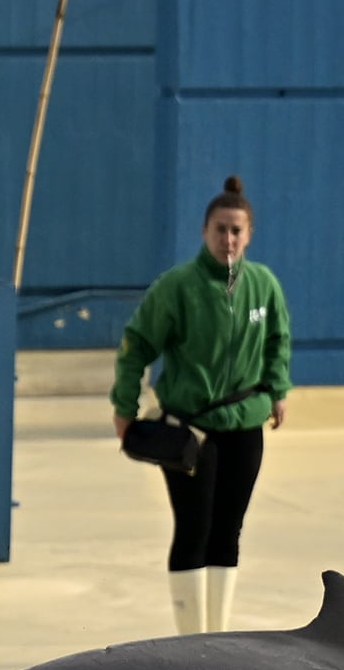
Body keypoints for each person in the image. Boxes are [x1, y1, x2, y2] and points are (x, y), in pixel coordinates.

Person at [112, 176, 290, 635]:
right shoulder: (177, 288)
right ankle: (191, 640)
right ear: (203, 231)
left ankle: (220, 635)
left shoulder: (264, 286)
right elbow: (137, 346)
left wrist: (277, 390)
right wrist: (124, 405)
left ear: (249, 235)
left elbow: (278, 341)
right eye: (219, 229)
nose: (227, 239)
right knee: (194, 529)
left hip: (245, 428)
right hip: (190, 430)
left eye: (236, 230)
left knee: (228, 529)